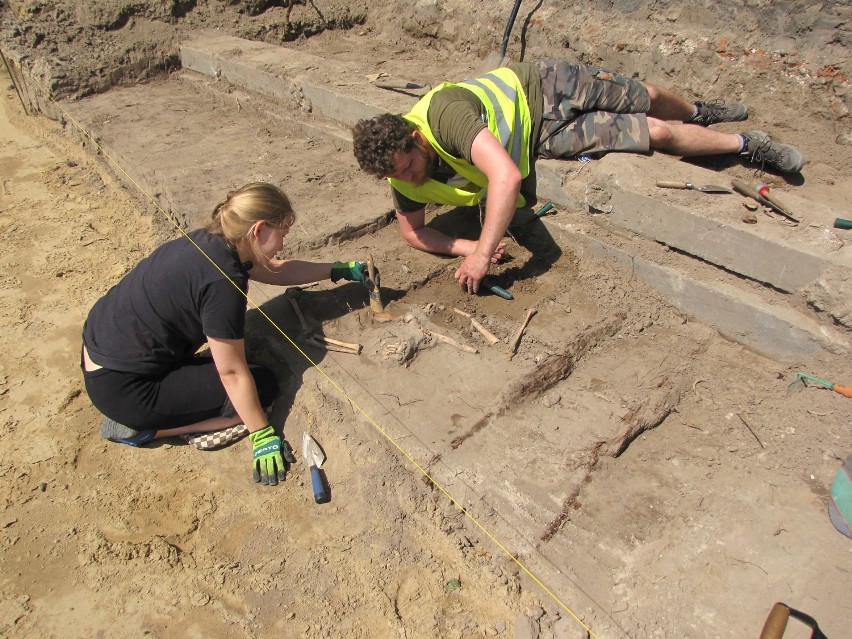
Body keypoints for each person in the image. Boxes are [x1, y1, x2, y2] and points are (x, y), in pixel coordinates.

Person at [352, 60, 805, 294]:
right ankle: (747, 144)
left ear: (416, 138)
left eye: (409, 165)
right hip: (540, 136)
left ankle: (700, 110)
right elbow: (413, 233)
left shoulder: (444, 116)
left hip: (544, 86)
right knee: (657, 133)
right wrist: (466, 246)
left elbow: (505, 178)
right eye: (397, 176)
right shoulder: (402, 173)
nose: (409, 179)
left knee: (644, 96)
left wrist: (483, 255)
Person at [81, 182, 374, 486]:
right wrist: (261, 433)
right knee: (260, 387)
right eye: (282, 235)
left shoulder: (210, 242)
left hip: (104, 352)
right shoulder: (223, 282)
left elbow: (273, 269)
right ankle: (141, 429)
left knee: (238, 366)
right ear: (259, 230)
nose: (283, 245)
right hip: (126, 391)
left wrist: (338, 270)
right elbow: (232, 372)